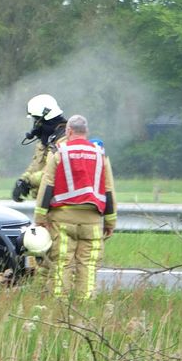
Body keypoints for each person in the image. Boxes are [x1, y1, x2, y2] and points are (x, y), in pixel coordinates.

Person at [33, 115, 117, 300]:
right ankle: (84, 305)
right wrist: (110, 221)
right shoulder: (99, 154)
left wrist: (40, 219)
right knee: (87, 264)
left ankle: (59, 305)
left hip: (62, 220)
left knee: (62, 263)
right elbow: (109, 189)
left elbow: (47, 186)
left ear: (69, 131)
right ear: (86, 132)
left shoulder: (59, 152)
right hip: (92, 221)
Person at [13, 94, 68, 202]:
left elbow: (53, 172)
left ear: (44, 118)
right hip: (45, 200)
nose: (35, 124)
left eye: (36, 119)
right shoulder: (45, 140)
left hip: (60, 202)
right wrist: (22, 180)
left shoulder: (65, 140)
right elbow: (36, 166)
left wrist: (28, 182)